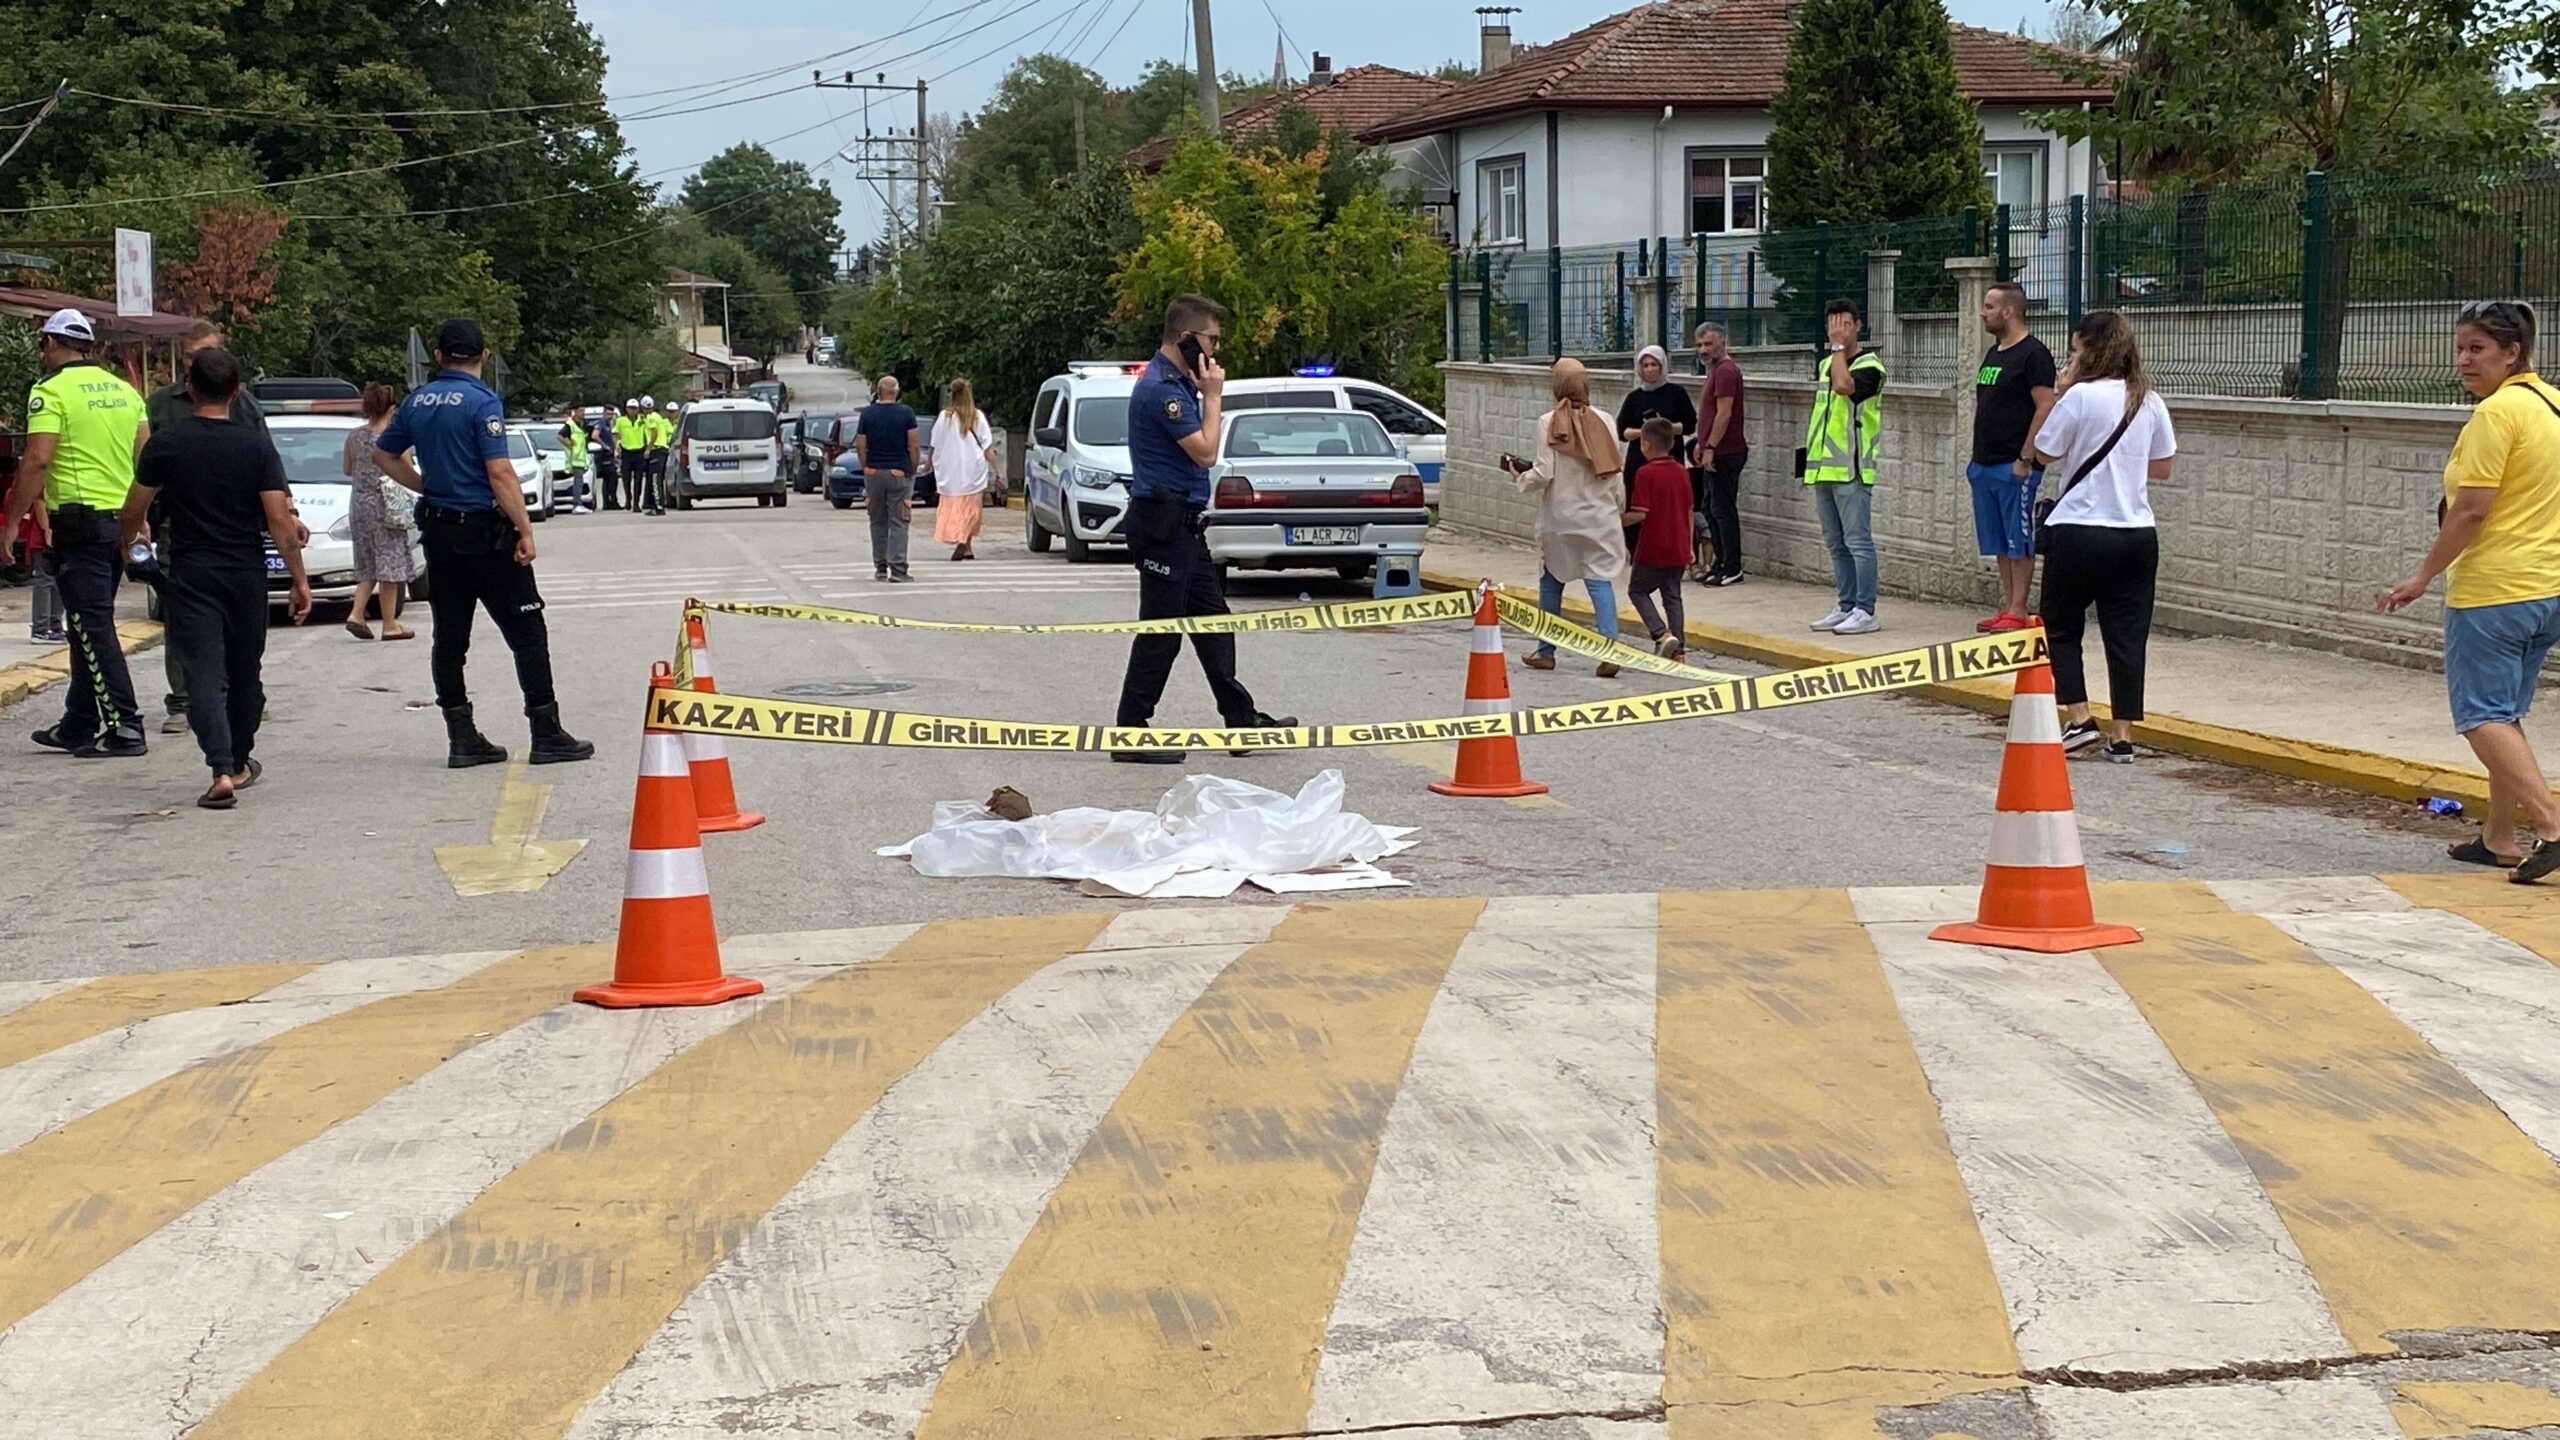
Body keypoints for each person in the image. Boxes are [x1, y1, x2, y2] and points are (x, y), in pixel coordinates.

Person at [2379, 300, 2560, 882]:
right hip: (2546, 589)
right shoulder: (2552, 405)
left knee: (2481, 716)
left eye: (2478, 349)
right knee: (2504, 714)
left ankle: (2553, 824)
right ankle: (2499, 836)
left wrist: (2422, 575)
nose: (2463, 360)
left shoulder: (2496, 415)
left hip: (2494, 590)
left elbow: (2472, 510)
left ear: (2514, 352)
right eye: (2460, 348)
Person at [371, 318, 594, 768]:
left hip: (439, 532)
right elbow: (499, 472)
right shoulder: (481, 402)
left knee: (450, 638)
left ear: (437, 356)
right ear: (484, 356)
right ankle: (545, 730)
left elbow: (381, 453)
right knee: (527, 632)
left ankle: (461, 735)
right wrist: (525, 530)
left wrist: (424, 485)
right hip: (485, 534)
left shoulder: (417, 401)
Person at [119, 347, 311, 808]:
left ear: (189, 388)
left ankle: (220, 767)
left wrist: (131, 541)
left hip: (190, 572)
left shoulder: (167, 442)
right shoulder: (254, 445)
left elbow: (134, 507)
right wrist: (298, 579)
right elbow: (279, 520)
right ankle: (241, 759)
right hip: (244, 573)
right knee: (246, 672)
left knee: (202, 673)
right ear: (237, 390)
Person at [1112, 293, 1294, 762]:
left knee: (1214, 625)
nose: (1215, 351)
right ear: (1187, 338)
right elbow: (1207, 452)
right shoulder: (1162, 391)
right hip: (1163, 527)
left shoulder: (1179, 384)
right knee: (1162, 632)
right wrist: (1214, 395)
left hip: (1187, 529)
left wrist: (1204, 391)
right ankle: (1130, 732)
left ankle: (1241, 721)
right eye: (1211, 339)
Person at [2, 309, 150, 756]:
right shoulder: (125, 392)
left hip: (79, 523)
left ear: (50, 343)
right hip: (118, 521)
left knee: (90, 624)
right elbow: (146, 457)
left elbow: (38, 459)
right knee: (88, 623)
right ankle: (79, 722)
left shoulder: (50, 392)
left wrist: (11, 522)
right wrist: (140, 516)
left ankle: (126, 725)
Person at [2030, 310, 2176, 766]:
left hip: (2081, 529)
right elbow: (2162, 466)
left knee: (2062, 623)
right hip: (2136, 533)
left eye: (2074, 350)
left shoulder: (2080, 398)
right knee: (2127, 635)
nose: (2070, 358)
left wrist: (2061, 394)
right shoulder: (2146, 399)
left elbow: (2044, 451)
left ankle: (2078, 718)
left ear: (2090, 351)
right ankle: (2123, 736)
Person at [146, 319, 273, 736]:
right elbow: (144, 470)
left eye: (205, 355)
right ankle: (183, 700)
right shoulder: (160, 406)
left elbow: (269, 466)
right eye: (189, 357)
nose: (196, 365)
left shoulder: (244, 405)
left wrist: (285, 514)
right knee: (180, 615)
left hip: (236, 528)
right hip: (177, 526)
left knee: (240, 625)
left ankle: (240, 697)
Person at [1502, 356, 1630, 678]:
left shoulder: (1548, 422)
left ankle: (1546, 651)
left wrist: (1520, 477)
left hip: (1562, 518)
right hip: (1599, 516)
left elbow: (1544, 473)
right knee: (1599, 581)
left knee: (1551, 580)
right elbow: (1615, 472)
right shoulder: (1606, 420)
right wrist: (1618, 507)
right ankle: (1609, 649)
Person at [1970, 280, 2059, 633]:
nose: (1983, 312)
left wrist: (2025, 457)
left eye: (1989, 307)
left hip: (2014, 466)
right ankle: (2007, 606)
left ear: (2009, 311)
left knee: (2018, 538)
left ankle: (2019, 608)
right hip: (1984, 464)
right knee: (1999, 541)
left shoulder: (2034, 355)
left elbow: (2045, 406)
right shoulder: (1995, 353)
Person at [1804, 298, 1886, 635]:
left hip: (1852, 469)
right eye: (1831, 325)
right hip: (1824, 468)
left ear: (1857, 326)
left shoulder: (1871, 366)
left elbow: (1844, 387)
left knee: (1858, 542)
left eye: (1844, 324)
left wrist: (1837, 347)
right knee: (1835, 543)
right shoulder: (1827, 363)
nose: (1836, 331)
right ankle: (1846, 603)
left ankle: (1866, 610)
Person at [342, 383, 417, 641]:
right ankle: (389, 623)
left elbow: (347, 469)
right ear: (392, 408)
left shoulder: (354, 436)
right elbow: (406, 469)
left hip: (360, 505)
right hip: (387, 505)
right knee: (390, 565)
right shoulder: (393, 438)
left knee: (369, 564)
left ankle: (357, 613)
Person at [1624, 418, 1694, 660]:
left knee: (1637, 591)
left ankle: (1660, 633)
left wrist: (1614, 519)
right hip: (1678, 545)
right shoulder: (1682, 472)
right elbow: (1689, 510)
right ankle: (1680, 650)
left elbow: (1640, 514)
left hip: (1653, 546)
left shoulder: (1645, 473)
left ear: (1645, 444)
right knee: (1672, 595)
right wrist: (1690, 545)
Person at [1615, 345, 1694, 554]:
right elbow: (1622, 431)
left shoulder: (1677, 393)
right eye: (1645, 365)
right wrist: (1645, 431)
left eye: (1654, 365)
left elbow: (1690, 425)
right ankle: (1636, 549)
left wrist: (1663, 426)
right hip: (1639, 459)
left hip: (1670, 458)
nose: (1650, 369)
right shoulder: (1634, 398)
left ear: (1662, 366)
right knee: (1637, 504)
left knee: (1668, 505)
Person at [1692, 322, 1749, 586]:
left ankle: (1732, 566)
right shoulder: (1715, 372)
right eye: (1700, 344)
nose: (1704, 349)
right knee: (1710, 509)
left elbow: (1724, 413)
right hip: (1713, 451)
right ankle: (1720, 562)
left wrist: (1711, 448)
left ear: (1722, 343)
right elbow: (1709, 413)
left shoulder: (1726, 372)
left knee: (1723, 510)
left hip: (1726, 452)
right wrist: (1700, 444)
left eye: (1708, 344)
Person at [855, 375, 920, 582]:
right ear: (895, 392)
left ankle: (880, 566)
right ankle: (898, 568)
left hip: (874, 473)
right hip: (898, 473)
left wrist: (865, 466)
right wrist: (912, 468)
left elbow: (860, 444)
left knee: (877, 520)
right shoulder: (906, 414)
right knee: (899, 520)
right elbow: (914, 444)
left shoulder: (867, 414)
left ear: (878, 392)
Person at [930, 377, 996, 562]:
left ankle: (962, 541)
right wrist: (998, 471)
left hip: (951, 471)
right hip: (974, 469)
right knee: (971, 508)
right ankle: (966, 545)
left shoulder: (945, 417)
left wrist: (928, 465)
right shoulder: (977, 417)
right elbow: (988, 448)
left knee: (955, 508)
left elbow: (934, 444)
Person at [612, 399, 649, 512]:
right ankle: (629, 499)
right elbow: (615, 434)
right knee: (626, 479)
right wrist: (616, 447)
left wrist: (647, 448)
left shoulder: (643, 420)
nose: (632, 411)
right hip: (626, 451)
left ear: (638, 409)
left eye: (634, 408)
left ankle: (636, 503)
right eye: (630, 408)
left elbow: (648, 433)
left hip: (639, 451)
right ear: (626, 409)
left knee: (638, 480)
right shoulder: (621, 420)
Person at [643, 398, 676, 514]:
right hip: (663, 450)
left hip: (656, 449)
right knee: (658, 479)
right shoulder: (658, 417)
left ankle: (658, 507)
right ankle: (656, 505)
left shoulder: (651, 418)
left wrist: (648, 448)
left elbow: (654, 432)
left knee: (655, 480)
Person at [558, 410, 593, 514]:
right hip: (574, 459)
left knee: (579, 482)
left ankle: (578, 504)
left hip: (581, 459)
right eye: (581, 411)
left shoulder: (581, 425)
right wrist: (569, 445)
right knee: (578, 483)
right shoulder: (570, 425)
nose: (583, 413)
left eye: (584, 410)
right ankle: (577, 504)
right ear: (575, 412)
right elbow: (560, 436)